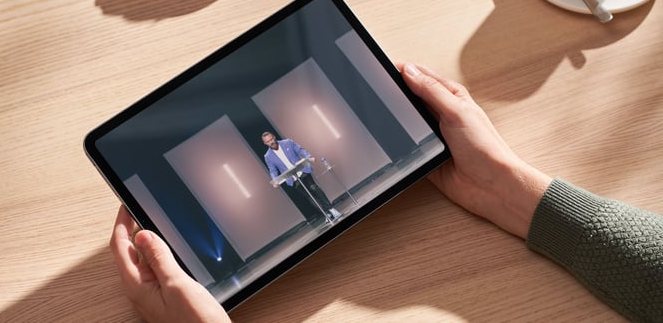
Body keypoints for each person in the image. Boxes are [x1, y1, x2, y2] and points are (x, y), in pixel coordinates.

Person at [110, 62, 663, 322]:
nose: (271, 138)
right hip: (291, 184)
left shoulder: (287, 144)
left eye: (272, 136)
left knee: (320, 201)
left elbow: (297, 154)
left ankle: (325, 211)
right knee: (307, 206)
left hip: (302, 176)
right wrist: (504, 186)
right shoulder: (268, 153)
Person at [261, 131, 341, 222]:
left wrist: (309, 157)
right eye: (268, 141)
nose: (271, 142)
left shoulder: (287, 142)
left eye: (271, 139)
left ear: (274, 137)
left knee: (314, 188)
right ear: (265, 143)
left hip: (302, 171)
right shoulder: (268, 156)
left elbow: (300, 150)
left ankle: (331, 209)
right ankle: (326, 213)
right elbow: (272, 170)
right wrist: (275, 181)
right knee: (309, 196)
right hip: (292, 178)